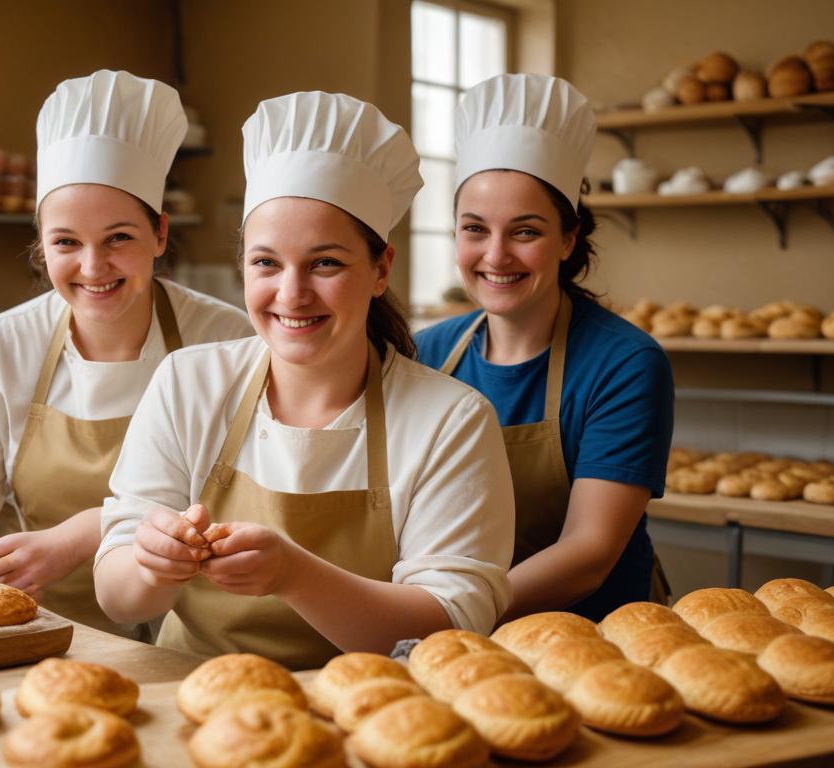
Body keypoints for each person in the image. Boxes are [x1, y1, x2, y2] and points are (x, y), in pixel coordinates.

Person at [93, 91, 514, 669]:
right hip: (191, 697)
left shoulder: (450, 419)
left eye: (325, 263)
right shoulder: (188, 383)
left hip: (371, 710)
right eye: (266, 263)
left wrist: (294, 574)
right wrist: (151, 565)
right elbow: (116, 596)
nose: (291, 294)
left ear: (380, 269)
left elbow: (450, 627)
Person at [0, 70, 252, 638]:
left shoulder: (224, 337)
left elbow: (241, 500)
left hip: (193, 631)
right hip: (42, 628)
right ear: (41, 241)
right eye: (66, 242)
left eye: (119, 238)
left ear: (160, 235)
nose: (93, 268)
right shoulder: (6, 343)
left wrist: (76, 538)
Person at [415, 73, 675, 622]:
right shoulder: (424, 353)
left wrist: (451, 611)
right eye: (475, 229)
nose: (496, 255)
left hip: (599, 639)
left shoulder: (624, 363)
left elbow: (588, 553)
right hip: (456, 637)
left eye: (526, 231)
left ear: (568, 238)